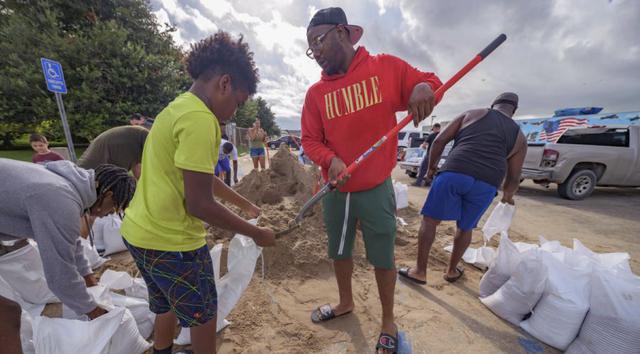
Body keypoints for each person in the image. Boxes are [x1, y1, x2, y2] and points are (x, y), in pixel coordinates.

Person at [120, 31, 276, 354]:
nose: (234, 111)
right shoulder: (202, 121)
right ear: (224, 83)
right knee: (204, 314)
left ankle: (162, 350)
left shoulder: (177, 109)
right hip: (173, 244)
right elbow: (199, 203)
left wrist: (243, 202)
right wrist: (256, 232)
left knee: (164, 306)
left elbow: (199, 177)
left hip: (139, 236)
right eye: (238, 101)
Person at [301, 7, 441, 353]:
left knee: (382, 257)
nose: (315, 52)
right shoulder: (316, 95)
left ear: (343, 33)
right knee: (339, 251)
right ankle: (345, 302)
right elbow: (309, 141)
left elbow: (431, 82)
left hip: (376, 188)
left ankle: (388, 320)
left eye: (318, 41)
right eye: (310, 48)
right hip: (337, 190)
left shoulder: (384, 69)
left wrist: (424, 87)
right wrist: (330, 159)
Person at [399, 93, 527, 285]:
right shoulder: (520, 137)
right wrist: (508, 197)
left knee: (431, 220)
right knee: (465, 227)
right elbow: (514, 176)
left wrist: (432, 168)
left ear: (493, 104)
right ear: (514, 111)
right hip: (487, 183)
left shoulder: (472, 113)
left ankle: (419, 271)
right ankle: (451, 271)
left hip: (455, 171)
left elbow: (440, 140)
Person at [0, 159, 136, 320]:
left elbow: (71, 241)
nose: (108, 214)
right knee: (9, 314)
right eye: (113, 207)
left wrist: (90, 280)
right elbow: (60, 275)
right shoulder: (60, 200)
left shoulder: (69, 186)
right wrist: (95, 312)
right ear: (108, 194)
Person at [77, 125, 149, 179]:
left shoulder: (139, 137)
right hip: (88, 175)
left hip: (85, 173)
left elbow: (137, 168)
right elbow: (121, 178)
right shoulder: (136, 142)